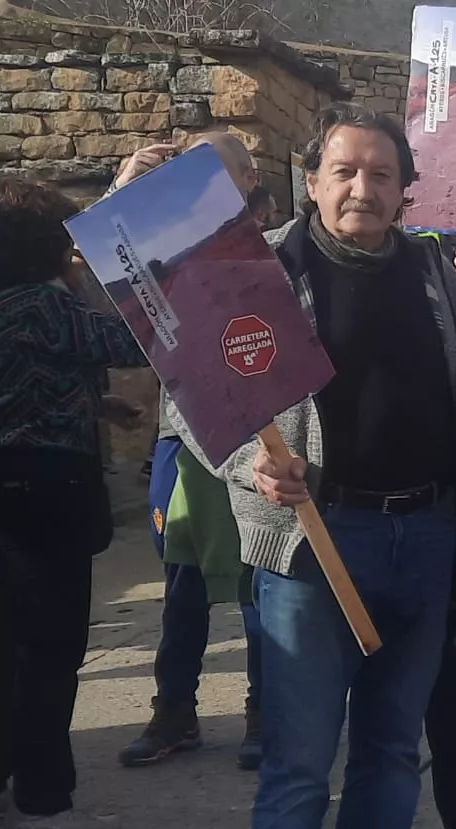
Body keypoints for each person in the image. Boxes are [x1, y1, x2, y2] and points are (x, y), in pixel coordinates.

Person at [235, 103, 456, 829]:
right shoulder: (260, 272)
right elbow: (200, 402)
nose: (362, 188)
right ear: (313, 180)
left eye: (381, 174)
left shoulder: (429, 270)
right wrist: (251, 468)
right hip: (313, 546)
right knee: (301, 771)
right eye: (344, 171)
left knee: (390, 758)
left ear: (403, 188)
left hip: (422, 537)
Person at [0, 179, 148, 829]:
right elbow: (132, 341)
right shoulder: (47, 302)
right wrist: (95, 276)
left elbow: (13, 383)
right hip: (46, 484)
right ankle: (42, 805)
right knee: (52, 645)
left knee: (9, 632)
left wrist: (96, 406)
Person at [110, 132, 271, 771]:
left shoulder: (274, 248)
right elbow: (109, 295)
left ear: (248, 175)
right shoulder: (162, 246)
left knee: (261, 578)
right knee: (181, 584)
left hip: (259, 431)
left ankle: (268, 710)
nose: (194, 179)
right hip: (186, 435)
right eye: (186, 167)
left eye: (210, 167)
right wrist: (125, 193)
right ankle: (174, 711)